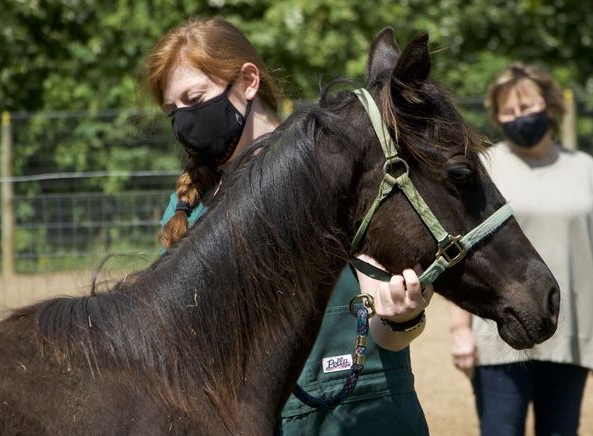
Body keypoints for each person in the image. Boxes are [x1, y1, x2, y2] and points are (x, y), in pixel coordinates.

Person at [143, 17, 432, 434]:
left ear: (248, 81)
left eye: (195, 98)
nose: (185, 123)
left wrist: (402, 315)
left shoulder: (341, 168)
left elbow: (389, 334)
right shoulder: (186, 208)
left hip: (366, 418)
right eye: (174, 112)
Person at [449, 63, 593, 436]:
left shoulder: (586, 168)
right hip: (500, 332)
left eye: (526, 108)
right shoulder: (486, 169)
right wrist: (460, 329)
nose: (518, 117)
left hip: (572, 333)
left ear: (550, 106)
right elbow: (462, 245)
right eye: (508, 111)